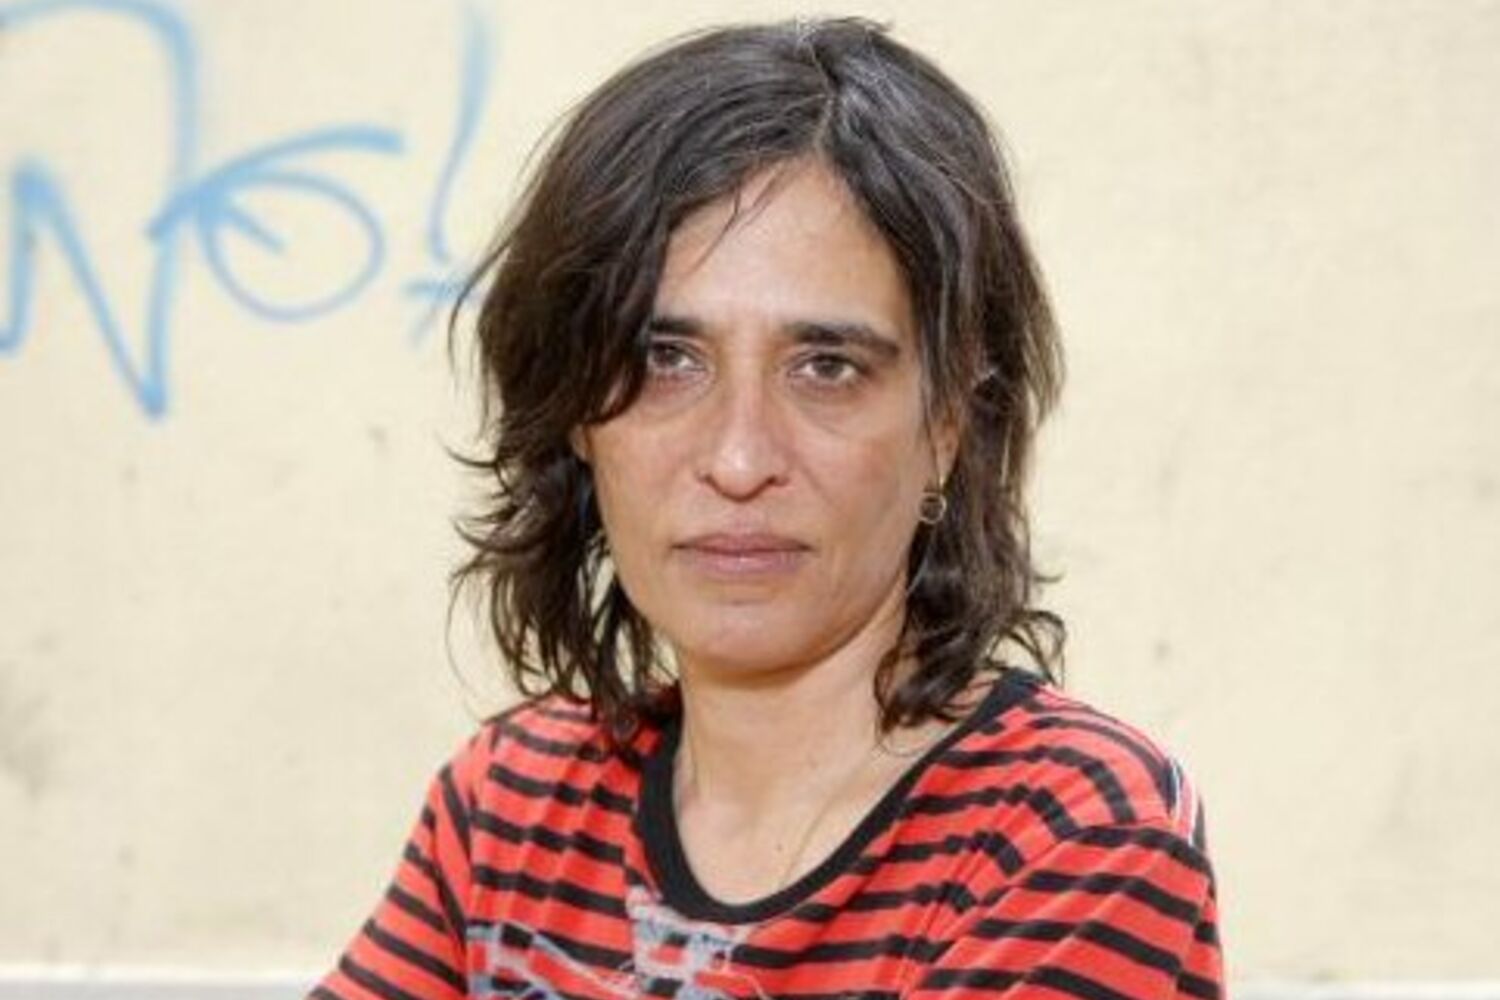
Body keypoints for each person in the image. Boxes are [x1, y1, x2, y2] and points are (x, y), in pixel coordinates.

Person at [311, 17, 1223, 1000]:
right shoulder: (511, 803)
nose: (739, 460)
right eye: (666, 359)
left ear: (948, 420)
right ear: (575, 413)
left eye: (826, 367)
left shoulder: (1073, 832)